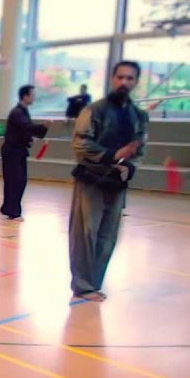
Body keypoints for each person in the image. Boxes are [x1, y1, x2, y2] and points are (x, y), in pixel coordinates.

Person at [68, 61, 148, 302]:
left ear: (136, 82)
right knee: (86, 234)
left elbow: (139, 149)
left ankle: (95, 283)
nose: (124, 82)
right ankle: (83, 286)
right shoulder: (94, 110)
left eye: (130, 78)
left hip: (117, 183)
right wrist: (112, 155)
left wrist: (129, 167)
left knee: (108, 236)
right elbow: (81, 143)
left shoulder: (139, 116)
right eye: (120, 77)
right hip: (91, 180)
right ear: (113, 79)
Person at [0, 84, 46, 220]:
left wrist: (30, 139)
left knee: (17, 181)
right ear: (25, 96)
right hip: (12, 152)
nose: (34, 97)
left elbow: (23, 131)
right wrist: (43, 126)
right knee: (15, 181)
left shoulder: (23, 111)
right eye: (32, 95)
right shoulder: (17, 112)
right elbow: (27, 127)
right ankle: (13, 211)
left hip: (17, 151)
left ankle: (9, 209)